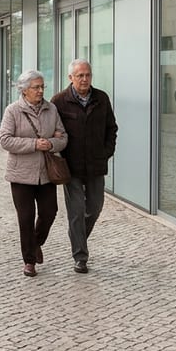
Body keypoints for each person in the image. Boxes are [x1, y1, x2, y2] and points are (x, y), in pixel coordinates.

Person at [50, 59, 117, 274]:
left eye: (88, 75)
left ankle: (77, 237)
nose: (85, 79)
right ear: (70, 78)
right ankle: (80, 256)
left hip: (96, 165)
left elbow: (111, 128)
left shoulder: (102, 98)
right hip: (72, 167)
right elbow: (51, 130)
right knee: (76, 212)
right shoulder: (59, 101)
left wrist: (107, 152)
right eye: (80, 75)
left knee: (95, 207)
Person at [0, 70, 67, 278]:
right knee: (26, 218)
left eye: (42, 87)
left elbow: (63, 137)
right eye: (36, 87)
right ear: (24, 90)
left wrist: (52, 142)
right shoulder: (13, 111)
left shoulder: (51, 109)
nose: (40, 91)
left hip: (46, 173)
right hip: (21, 175)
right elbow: (5, 140)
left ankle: (36, 242)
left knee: (49, 212)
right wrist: (34, 144)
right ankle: (29, 261)